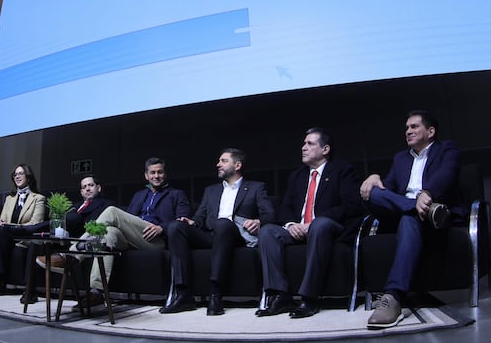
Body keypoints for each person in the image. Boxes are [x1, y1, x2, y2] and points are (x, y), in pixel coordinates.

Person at [360, 110, 460, 329]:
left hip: (431, 214)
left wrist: (428, 193)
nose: (408, 131)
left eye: (414, 126)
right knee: (373, 192)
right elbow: (389, 189)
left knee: (408, 219)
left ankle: (393, 297)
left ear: (431, 131)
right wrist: (376, 178)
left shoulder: (446, 149)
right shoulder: (400, 158)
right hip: (414, 210)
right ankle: (420, 209)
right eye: (407, 128)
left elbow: (448, 174)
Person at [256, 128, 363, 318]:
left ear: (325, 149)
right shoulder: (296, 176)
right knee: (267, 232)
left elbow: (350, 206)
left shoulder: (342, 170)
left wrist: (312, 224)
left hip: (330, 228)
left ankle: (309, 297)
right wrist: (290, 224)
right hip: (298, 229)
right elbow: (285, 207)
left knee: (320, 224)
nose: (304, 148)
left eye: (310, 144)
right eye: (304, 143)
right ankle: (280, 295)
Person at [160, 148, 275, 316]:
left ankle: (215, 292)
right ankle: (183, 294)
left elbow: (270, 214)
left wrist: (258, 221)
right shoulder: (211, 190)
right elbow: (200, 217)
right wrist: (191, 221)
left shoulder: (255, 188)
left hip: (237, 235)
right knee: (176, 227)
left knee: (223, 224)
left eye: (223, 161)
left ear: (237, 165)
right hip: (212, 235)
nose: (218, 164)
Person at [72, 157, 190, 310]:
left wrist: (162, 227)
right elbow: (127, 220)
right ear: (146, 176)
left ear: (164, 174)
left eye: (160, 172)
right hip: (134, 237)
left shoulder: (176, 194)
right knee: (108, 233)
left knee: (112, 212)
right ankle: (97, 292)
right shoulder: (139, 195)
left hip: (157, 240)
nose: (156, 176)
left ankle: (72, 254)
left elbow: (184, 221)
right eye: (152, 173)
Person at [0, 164, 46, 296]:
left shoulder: (38, 198)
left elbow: (35, 224)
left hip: (22, 237)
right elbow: (2, 220)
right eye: (15, 174)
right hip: (5, 235)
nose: (17, 176)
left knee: (0, 232)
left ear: (29, 177)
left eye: (21, 173)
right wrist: (3, 224)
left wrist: (11, 227)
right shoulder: (9, 199)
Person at [34, 175, 114, 269]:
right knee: (36, 243)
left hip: (82, 237)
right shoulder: (73, 206)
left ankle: (33, 229)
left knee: (73, 218)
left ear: (98, 188)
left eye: (90, 185)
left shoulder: (107, 205)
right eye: (84, 187)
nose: (87, 189)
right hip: (64, 236)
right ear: (81, 192)